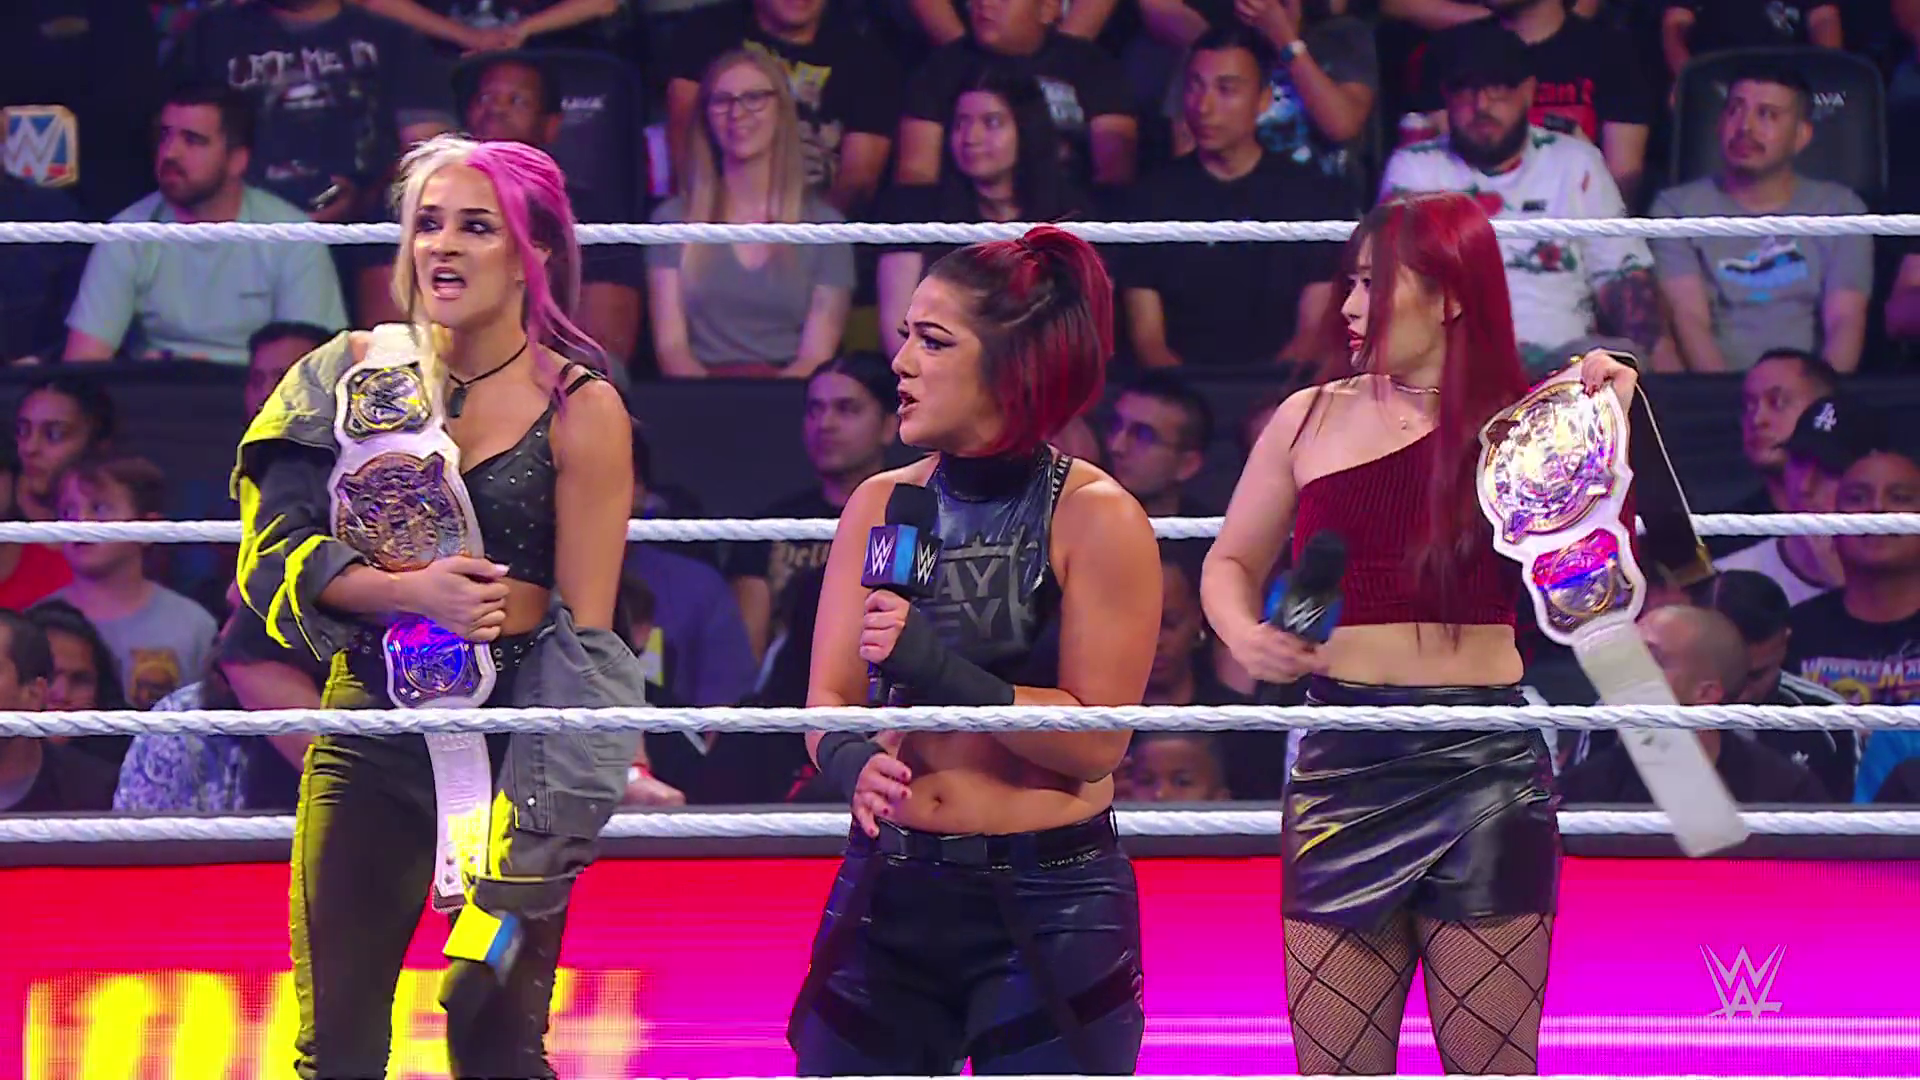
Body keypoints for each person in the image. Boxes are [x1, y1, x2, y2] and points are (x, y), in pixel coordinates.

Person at [1200, 191, 1641, 1074]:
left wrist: (1600, 423)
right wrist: (1245, 636)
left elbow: (1600, 595)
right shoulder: (1308, 416)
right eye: (1350, 283)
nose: (1350, 306)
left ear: (1449, 296)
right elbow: (1229, 563)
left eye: (1374, 284)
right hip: (1343, 758)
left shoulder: (1533, 423)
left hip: (1482, 761)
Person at [230, 133, 636, 1078]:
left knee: (492, 1034)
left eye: (476, 227)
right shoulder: (343, 375)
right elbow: (269, 556)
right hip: (368, 739)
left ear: (533, 252)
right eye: (428, 224)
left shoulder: (582, 407)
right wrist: (405, 591)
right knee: (337, 1049)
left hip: (517, 761)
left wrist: (563, 807)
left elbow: (588, 640)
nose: (443, 246)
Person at [790, 225, 1161, 1073]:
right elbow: (828, 700)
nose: (901, 364)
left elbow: (1097, 742)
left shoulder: (1097, 516)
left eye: (933, 340)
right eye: (905, 336)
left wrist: (941, 673)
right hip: (891, 884)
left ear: (1011, 364)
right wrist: (849, 760)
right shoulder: (880, 503)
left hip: (1049, 898)